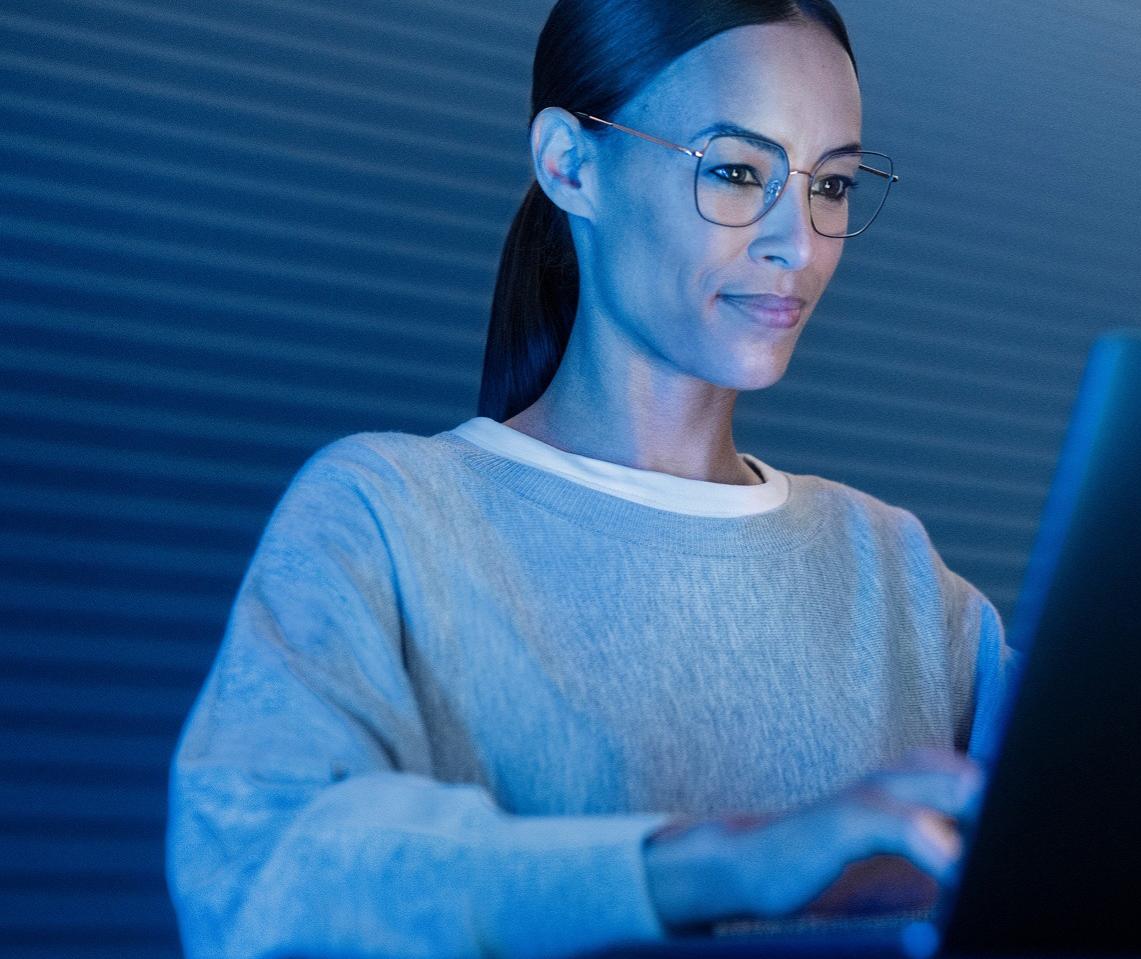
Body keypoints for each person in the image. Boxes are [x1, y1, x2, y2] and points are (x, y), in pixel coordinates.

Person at [164, 2, 1019, 956]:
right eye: (737, 172)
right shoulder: (385, 515)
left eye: (833, 186)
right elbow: (263, 880)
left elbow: (1111, 844)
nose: (802, 244)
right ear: (571, 164)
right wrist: (727, 862)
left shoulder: (897, 571)